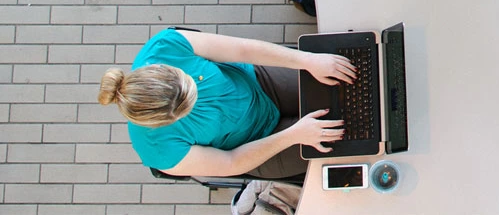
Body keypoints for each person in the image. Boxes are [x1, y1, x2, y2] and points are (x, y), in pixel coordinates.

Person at [98, 27, 356, 179]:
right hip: (257, 145)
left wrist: (307, 60)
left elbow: (243, 50)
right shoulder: (156, 149)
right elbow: (231, 162)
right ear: (163, 122)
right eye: (188, 108)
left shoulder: (165, 46)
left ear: (165, 68)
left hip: (259, 83)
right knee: (351, 139)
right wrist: (294, 135)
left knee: (347, 81)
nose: (198, 99)